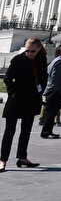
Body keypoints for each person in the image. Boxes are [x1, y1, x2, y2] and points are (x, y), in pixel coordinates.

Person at [1, 38, 47, 172]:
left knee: (26, 130)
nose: (30, 53)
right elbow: (8, 78)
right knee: (9, 131)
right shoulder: (18, 60)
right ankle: (2, 159)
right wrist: (13, 93)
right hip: (16, 100)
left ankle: (22, 157)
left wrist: (41, 89)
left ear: (39, 49)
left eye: (33, 51)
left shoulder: (41, 59)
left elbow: (44, 77)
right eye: (27, 50)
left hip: (31, 99)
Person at [41, 45, 61, 139]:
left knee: (51, 112)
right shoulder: (59, 61)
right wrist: (57, 90)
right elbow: (55, 77)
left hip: (56, 91)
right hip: (55, 92)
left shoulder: (58, 61)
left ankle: (49, 131)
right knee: (50, 113)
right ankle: (46, 132)